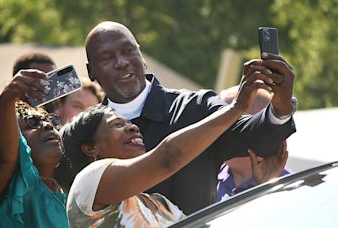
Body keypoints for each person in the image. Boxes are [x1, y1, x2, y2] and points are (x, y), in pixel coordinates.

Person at [84, 21, 296, 214]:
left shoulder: (195, 107)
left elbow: (256, 138)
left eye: (128, 51)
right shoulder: (85, 135)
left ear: (141, 56)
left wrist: (281, 106)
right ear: (91, 71)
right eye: (106, 57)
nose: (121, 62)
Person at [65, 72, 268, 227]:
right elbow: (169, 157)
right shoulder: (90, 182)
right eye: (117, 124)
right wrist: (236, 109)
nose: (133, 127)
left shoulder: (159, 205)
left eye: (129, 122)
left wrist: (264, 187)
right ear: (90, 148)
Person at [0, 70, 68, 227]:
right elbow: (6, 156)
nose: (47, 125)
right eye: (32, 122)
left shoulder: (70, 193)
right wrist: (8, 97)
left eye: (51, 120)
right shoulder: (4, 186)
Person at [217, 86, 290, 201]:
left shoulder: (291, 188)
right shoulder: (205, 178)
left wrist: (267, 186)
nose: (217, 131)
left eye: (230, 123)